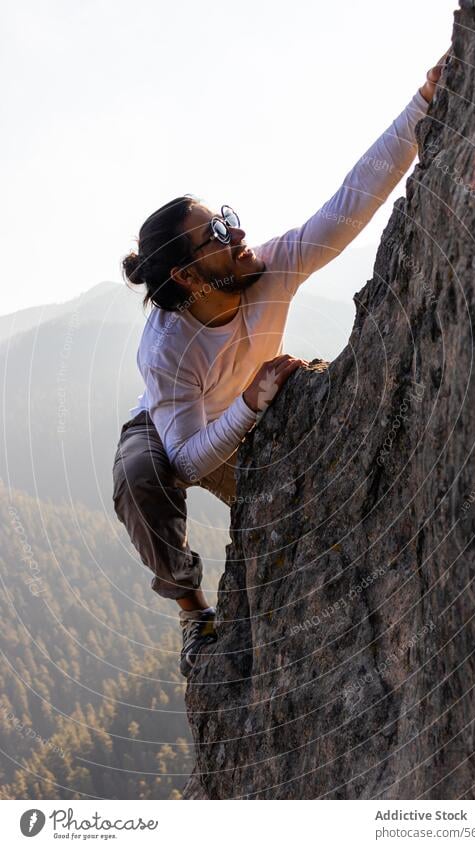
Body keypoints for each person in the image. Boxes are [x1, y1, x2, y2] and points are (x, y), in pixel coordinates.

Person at [112, 54, 448, 678]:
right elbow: (185, 458)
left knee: (299, 513)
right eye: (217, 233)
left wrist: (422, 105)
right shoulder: (165, 350)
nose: (237, 235)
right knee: (139, 476)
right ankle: (193, 612)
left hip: (248, 421)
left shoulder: (273, 268)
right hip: (176, 431)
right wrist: (251, 402)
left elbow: (351, 199)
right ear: (188, 276)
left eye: (227, 219)